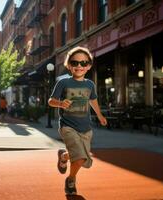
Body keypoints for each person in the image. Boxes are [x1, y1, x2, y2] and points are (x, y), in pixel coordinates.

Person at [48, 46, 107, 195]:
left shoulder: (90, 84)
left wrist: (100, 115)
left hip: (86, 128)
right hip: (68, 127)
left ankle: (64, 156)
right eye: (75, 63)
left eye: (83, 63)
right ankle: (71, 180)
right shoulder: (63, 83)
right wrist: (60, 103)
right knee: (80, 157)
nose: (79, 66)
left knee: (82, 157)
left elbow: (93, 101)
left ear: (88, 66)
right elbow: (51, 101)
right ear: (69, 65)